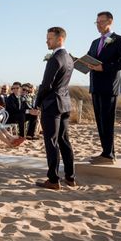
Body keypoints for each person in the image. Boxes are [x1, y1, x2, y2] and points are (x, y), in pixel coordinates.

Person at [31, 27, 76, 190]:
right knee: (64, 140)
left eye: (49, 38)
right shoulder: (69, 58)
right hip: (65, 104)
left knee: (52, 142)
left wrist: (37, 103)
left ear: (59, 39)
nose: (46, 41)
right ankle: (70, 177)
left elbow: (46, 85)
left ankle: (53, 180)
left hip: (52, 105)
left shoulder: (55, 59)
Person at [85, 11, 121, 164]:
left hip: (110, 87)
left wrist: (104, 68)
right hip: (95, 86)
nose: (98, 25)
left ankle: (109, 155)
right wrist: (81, 62)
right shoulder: (94, 42)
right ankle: (106, 153)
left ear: (110, 21)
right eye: (96, 22)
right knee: (100, 121)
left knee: (107, 121)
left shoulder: (119, 40)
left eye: (101, 22)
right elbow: (89, 59)